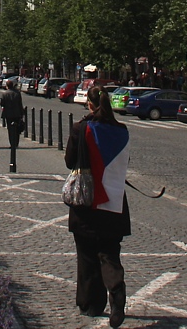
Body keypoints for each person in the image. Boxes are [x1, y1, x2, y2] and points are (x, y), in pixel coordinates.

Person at [64, 85, 130, 328]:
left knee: (87, 256)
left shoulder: (81, 128)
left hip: (87, 200)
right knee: (110, 254)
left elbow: (70, 161)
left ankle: (90, 304)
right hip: (114, 201)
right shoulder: (121, 131)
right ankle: (117, 293)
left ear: (89, 104)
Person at [0, 79, 26, 172]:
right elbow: (20, 103)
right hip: (17, 113)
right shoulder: (17, 93)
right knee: (17, 130)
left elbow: (2, 103)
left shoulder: (5, 94)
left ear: (7, 86)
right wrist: (22, 113)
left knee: (10, 130)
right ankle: (16, 143)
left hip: (8, 114)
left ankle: (12, 143)